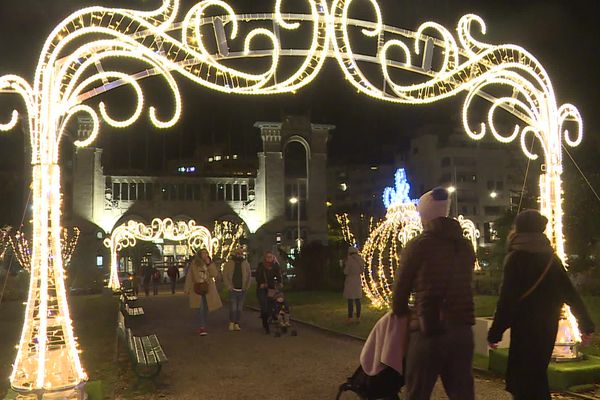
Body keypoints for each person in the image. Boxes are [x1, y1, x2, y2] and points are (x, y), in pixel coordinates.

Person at [488, 209, 595, 400]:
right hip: (547, 327)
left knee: (523, 382)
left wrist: (495, 332)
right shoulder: (551, 260)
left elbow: (507, 300)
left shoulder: (515, 259)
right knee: (536, 375)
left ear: (519, 230)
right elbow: (570, 294)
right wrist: (586, 324)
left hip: (525, 329)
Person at [392, 187, 476, 400]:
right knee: (463, 394)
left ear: (425, 215)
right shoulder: (465, 246)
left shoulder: (418, 245)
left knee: (417, 393)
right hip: (463, 330)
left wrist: (402, 311)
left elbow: (400, 290)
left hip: (429, 330)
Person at [184, 249, 222, 336]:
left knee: (205, 308)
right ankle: (202, 327)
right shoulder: (194, 264)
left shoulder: (209, 263)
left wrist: (209, 264)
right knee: (200, 308)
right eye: (203, 253)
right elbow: (190, 276)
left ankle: (203, 324)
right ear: (199, 255)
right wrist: (187, 288)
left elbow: (215, 274)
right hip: (197, 288)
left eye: (206, 253)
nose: (205, 255)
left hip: (207, 288)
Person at [222, 247, 251, 331]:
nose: (239, 255)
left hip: (242, 289)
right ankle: (231, 322)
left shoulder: (245, 263)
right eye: (238, 253)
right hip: (233, 289)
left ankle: (237, 323)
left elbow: (248, 275)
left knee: (239, 308)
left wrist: (246, 286)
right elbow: (225, 274)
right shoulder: (230, 263)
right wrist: (228, 286)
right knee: (233, 307)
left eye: (241, 253)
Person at [255, 250, 283, 334]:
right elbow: (258, 277)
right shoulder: (261, 266)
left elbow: (279, 277)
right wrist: (262, 284)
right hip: (262, 289)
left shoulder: (275, 266)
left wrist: (279, 283)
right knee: (264, 306)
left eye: (270, 257)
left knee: (273, 305)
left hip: (271, 288)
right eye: (267, 257)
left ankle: (272, 318)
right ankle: (265, 324)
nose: (269, 259)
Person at [344, 247, 365, 323]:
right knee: (357, 299)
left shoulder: (349, 260)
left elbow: (346, 271)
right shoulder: (360, 260)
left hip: (350, 280)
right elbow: (362, 270)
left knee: (350, 300)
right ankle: (358, 317)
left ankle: (350, 317)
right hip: (357, 280)